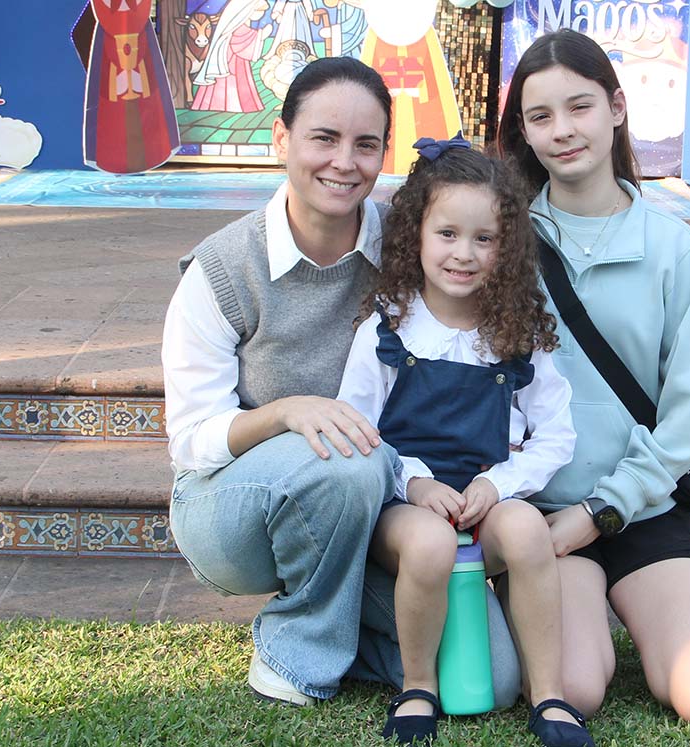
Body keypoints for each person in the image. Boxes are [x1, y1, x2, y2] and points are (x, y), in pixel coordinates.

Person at [164, 58, 522, 712]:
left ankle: (354, 633)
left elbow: (495, 261)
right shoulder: (222, 269)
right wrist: (286, 413)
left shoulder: (412, 245)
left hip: (376, 512)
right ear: (281, 139)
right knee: (353, 454)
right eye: (323, 137)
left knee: (492, 679)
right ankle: (294, 653)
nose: (344, 162)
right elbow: (191, 441)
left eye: (365, 144)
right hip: (236, 510)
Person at [496, 29, 690, 726]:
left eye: (579, 107)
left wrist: (602, 510)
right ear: (523, 129)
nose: (562, 131)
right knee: (573, 688)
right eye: (540, 116)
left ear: (615, 107)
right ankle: (584, 620)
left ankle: (645, 608)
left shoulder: (673, 246)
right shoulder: (500, 241)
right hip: (542, 515)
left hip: (644, 507)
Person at [336, 135, 594, 747]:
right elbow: (355, 428)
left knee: (529, 530)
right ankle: (417, 686)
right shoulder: (387, 328)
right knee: (429, 546)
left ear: (506, 248)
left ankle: (551, 696)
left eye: (485, 239)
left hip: (487, 500)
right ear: (416, 236)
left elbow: (556, 435)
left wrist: (497, 484)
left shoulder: (518, 333)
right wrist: (415, 480)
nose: (464, 254)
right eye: (447, 234)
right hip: (406, 508)